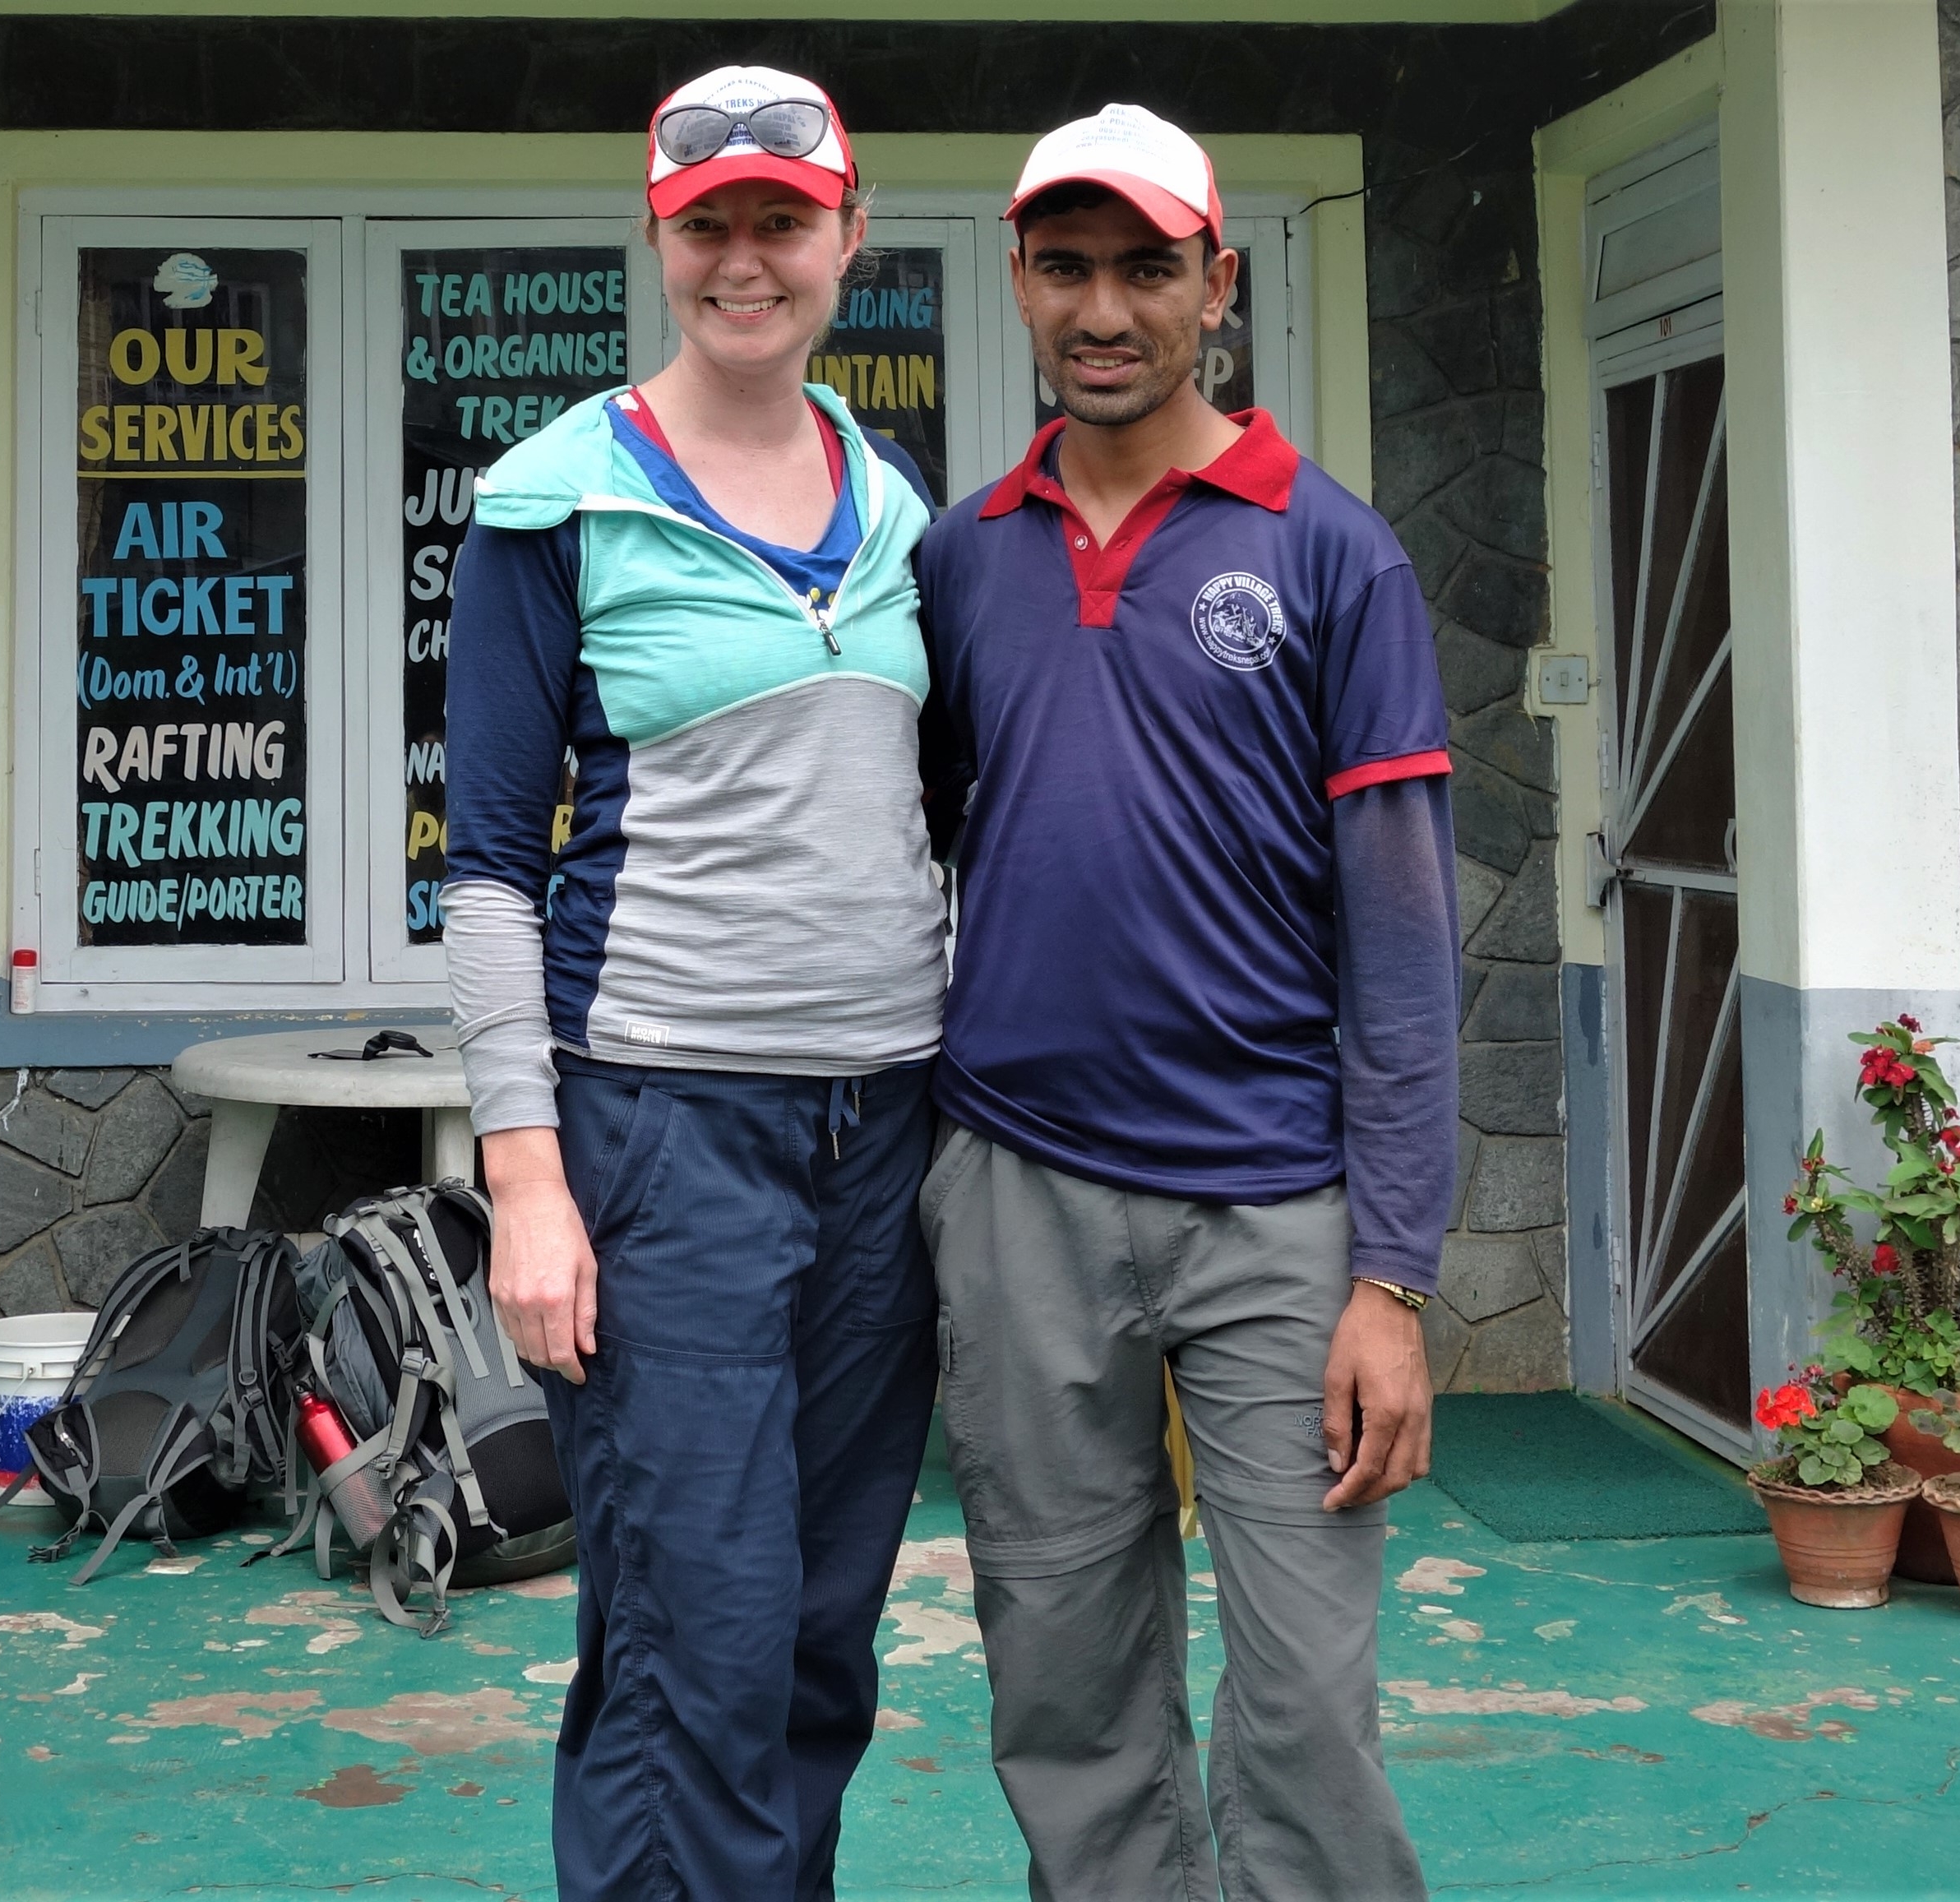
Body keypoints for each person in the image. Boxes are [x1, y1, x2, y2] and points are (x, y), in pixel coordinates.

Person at [915, 104, 1458, 1901]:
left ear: (1215, 285)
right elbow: (935, 841)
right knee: (1063, 1676)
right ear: (1018, 280)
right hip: (1021, 1190)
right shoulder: (962, 560)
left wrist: (1392, 1279)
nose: (1103, 308)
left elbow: (1401, 951)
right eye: (1065, 266)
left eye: (1146, 268)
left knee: (1304, 1701)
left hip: (1275, 1210)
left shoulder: (1331, 552)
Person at [440, 66, 946, 1900]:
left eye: (781, 222)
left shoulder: (897, 507)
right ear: (656, 241)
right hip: (664, 1137)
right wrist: (527, 1176)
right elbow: (487, 869)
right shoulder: (554, 502)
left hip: (883, 1133)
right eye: (706, 224)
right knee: (692, 1638)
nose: (746, 259)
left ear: (848, 234)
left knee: (817, 1634)